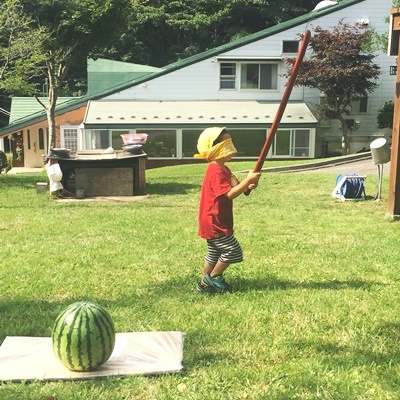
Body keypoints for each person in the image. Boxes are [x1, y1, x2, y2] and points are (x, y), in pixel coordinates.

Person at [194, 127, 261, 293]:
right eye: (226, 145)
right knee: (233, 251)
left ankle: (203, 283)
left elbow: (239, 189)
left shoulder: (224, 169)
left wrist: (249, 185)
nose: (231, 149)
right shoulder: (215, 170)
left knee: (214, 253)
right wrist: (247, 180)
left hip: (217, 219)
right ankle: (212, 279)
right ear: (215, 149)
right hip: (213, 220)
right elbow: (229, 194)